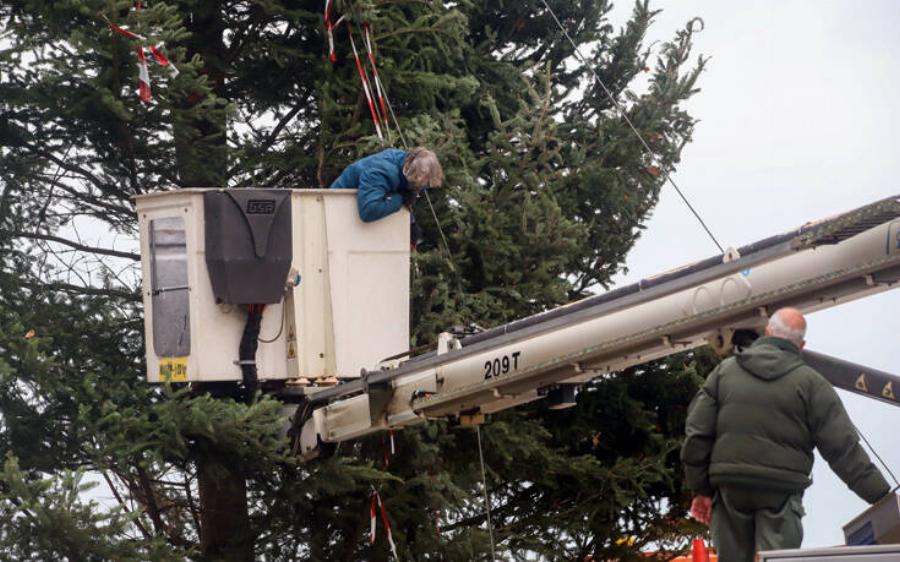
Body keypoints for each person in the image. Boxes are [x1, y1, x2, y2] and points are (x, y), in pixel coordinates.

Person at [681, 307, 890, 561]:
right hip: (781, 492)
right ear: (801, 345)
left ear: (768, 332)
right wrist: (881, 496)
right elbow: (843, 449)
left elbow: (697, 433)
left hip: (730, 487)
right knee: (778, 558)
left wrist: (701, 489)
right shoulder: (812, 384)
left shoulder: (724, 372)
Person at [330, 147, 443, 223]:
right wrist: (401, 198)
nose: (420, 188)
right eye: (418, 183)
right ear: (409, 169)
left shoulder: (405, 164)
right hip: (335, 206)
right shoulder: (383, 171)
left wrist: (411, 222)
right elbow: (369, 211)